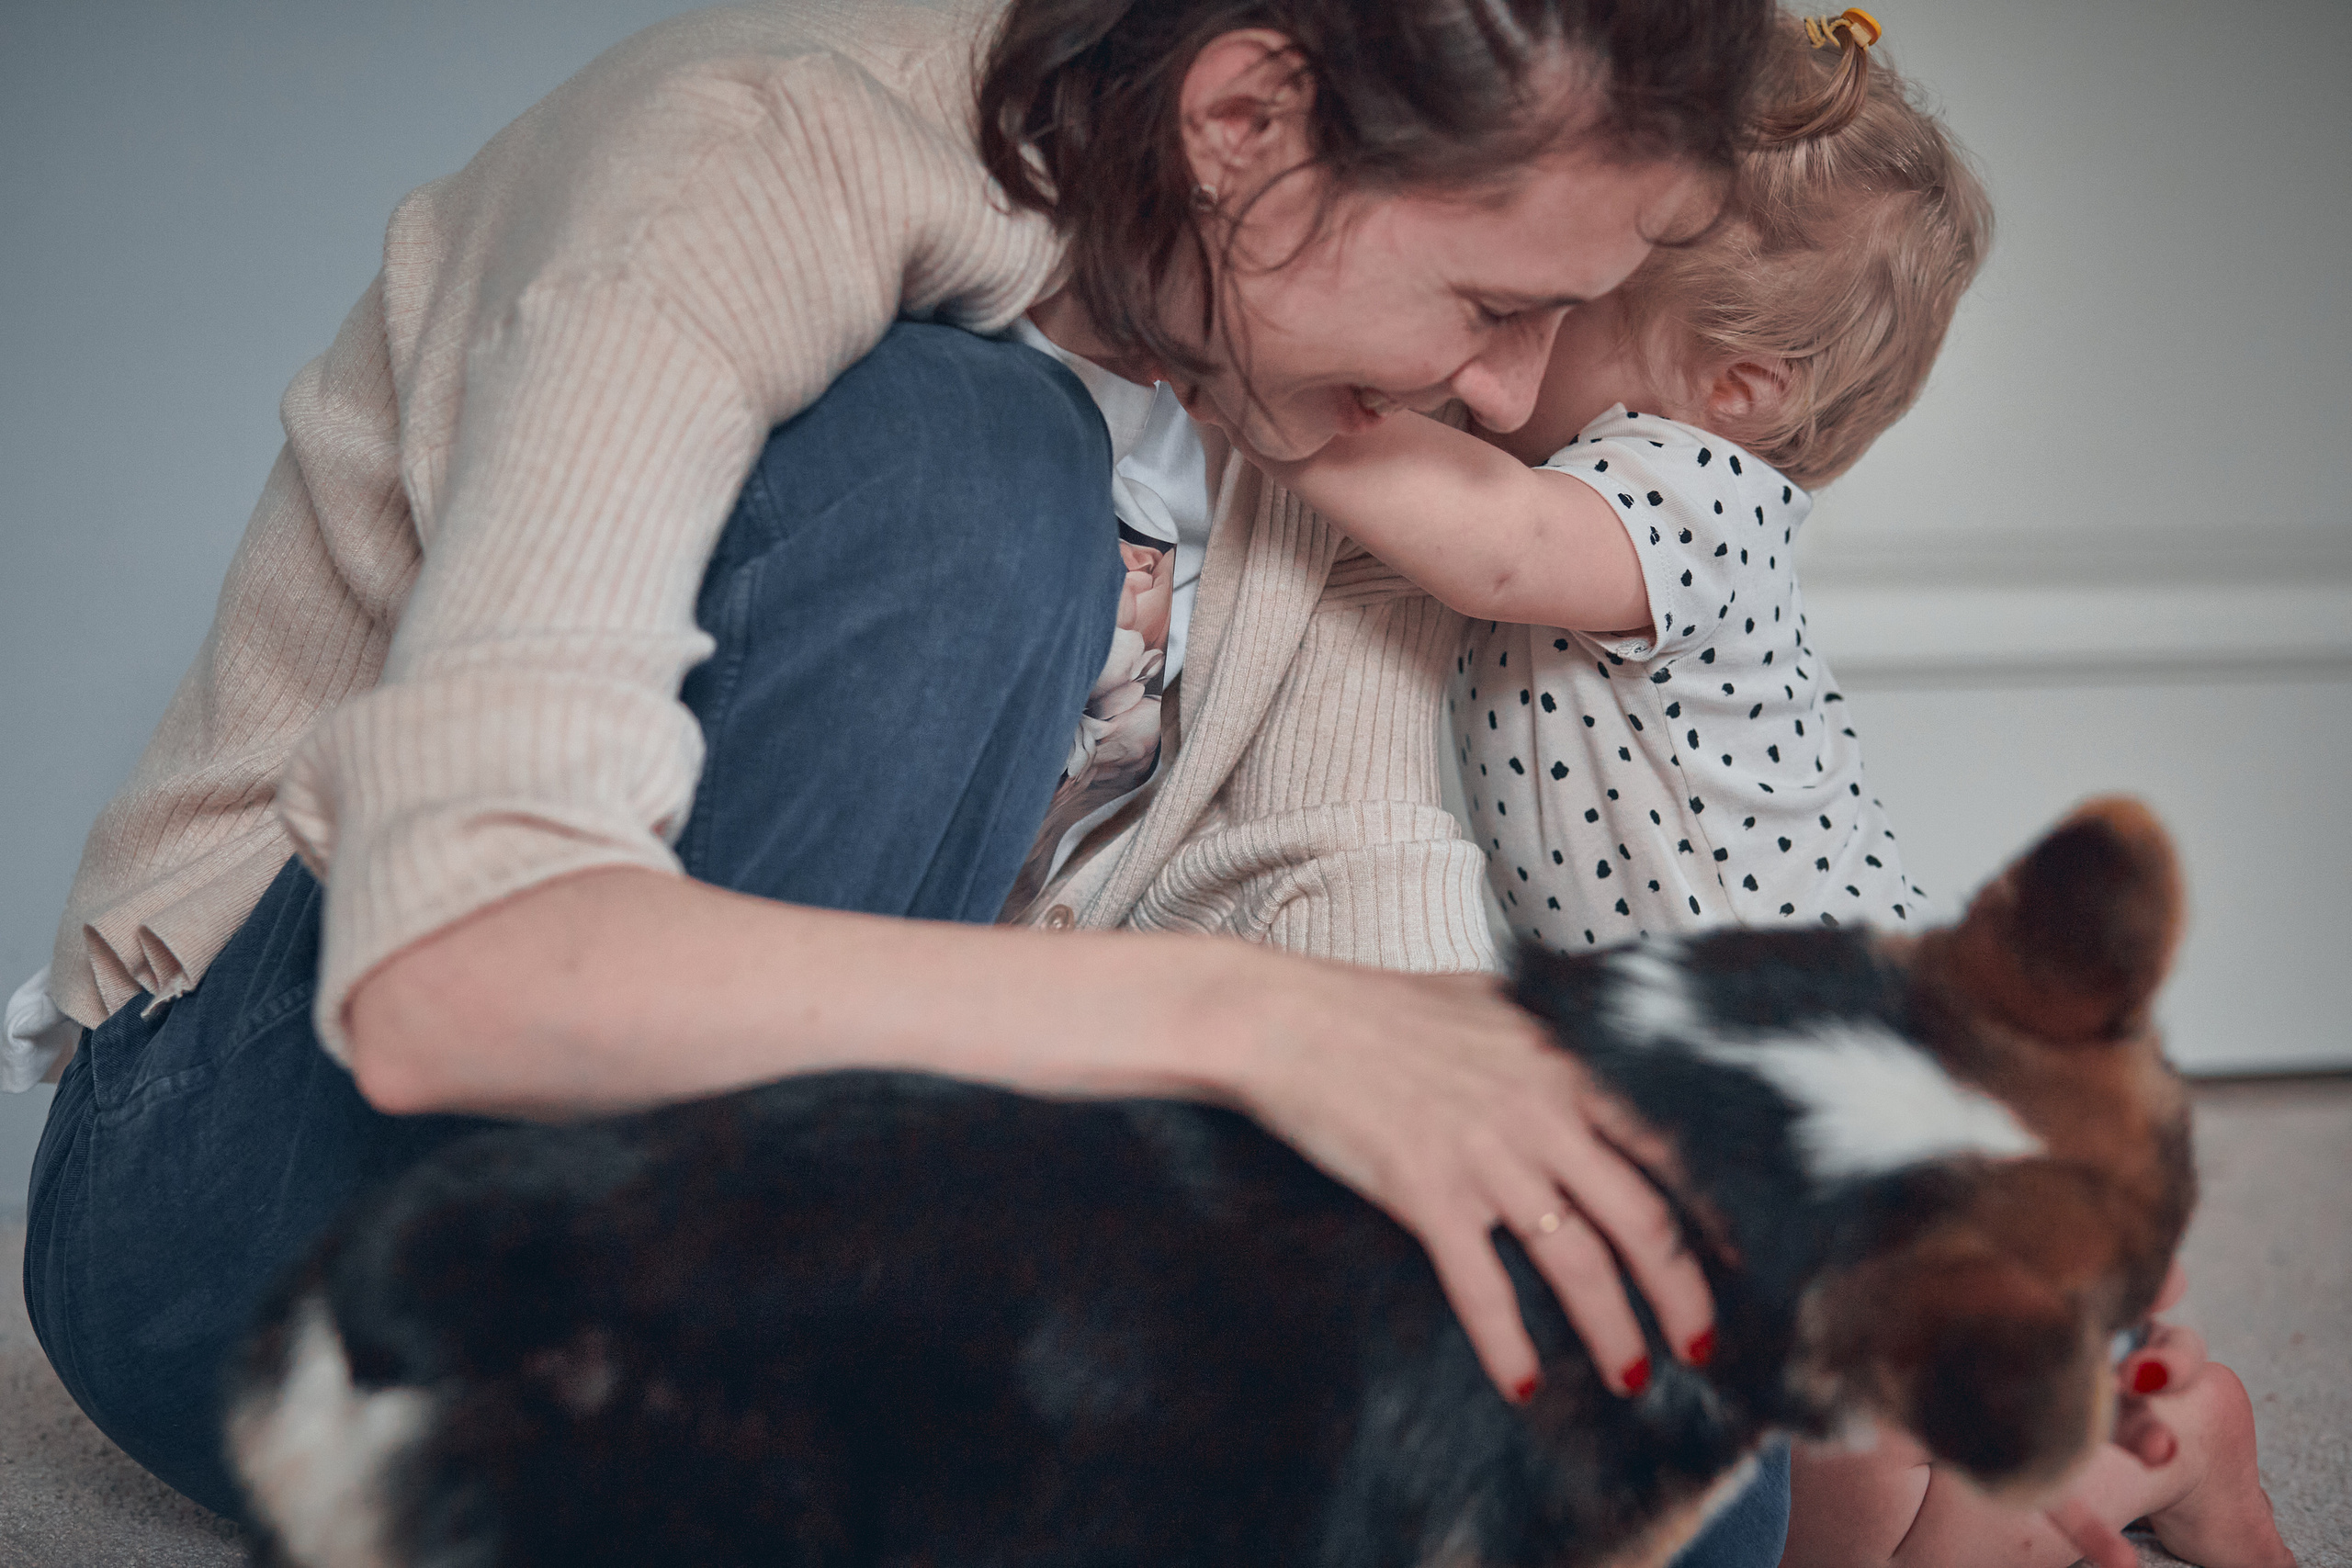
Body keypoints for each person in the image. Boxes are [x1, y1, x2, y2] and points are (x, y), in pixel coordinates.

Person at [16, 0, 1801, 1552]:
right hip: (279, 1201)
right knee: (970, 473)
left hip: (829, 1233)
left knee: (1659, 1445)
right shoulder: (760, 153)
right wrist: (1242, 1017)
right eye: (1493, 304)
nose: (1506, 400)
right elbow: (446, 984)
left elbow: (1342, 875)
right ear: (1246, 122)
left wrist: (1539, 1212)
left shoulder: (1301, 392)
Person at [1248, 13, 2296, 1566]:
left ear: (1732, 386)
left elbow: (1496, 543)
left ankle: (2159, 1448)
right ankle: (2146, 1432)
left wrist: (1274, 380)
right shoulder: (1623, 475)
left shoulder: (1693, 498)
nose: (1509, 346)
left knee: (1847, 1474)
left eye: (1573, 306)